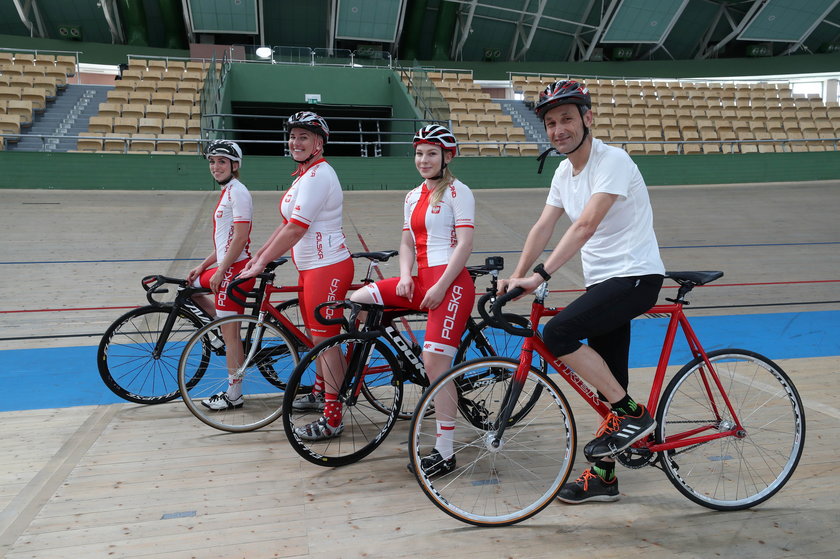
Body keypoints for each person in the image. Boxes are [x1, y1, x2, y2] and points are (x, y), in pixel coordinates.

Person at [499, 80, 665, 503]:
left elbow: (585, 224)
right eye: (551, 123)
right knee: (610, 377)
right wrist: (517, 276)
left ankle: (634, 416)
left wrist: (540, 274)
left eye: (567, 119)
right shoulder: (562, 170)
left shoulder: (613, 160)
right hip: (603, 282)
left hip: (635, 277)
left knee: (558, 334)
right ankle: (605, 476)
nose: (559, 129)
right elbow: (544, 226)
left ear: (588, 119)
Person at [351, 124, 475, 476]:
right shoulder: (411, 196)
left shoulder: (458, 192)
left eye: (431, 153)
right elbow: (406, 243)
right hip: (420, 280)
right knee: (360, 301)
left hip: (450, 285)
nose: (423, 159)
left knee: (436, 365)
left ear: (447, 157)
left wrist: (440, 288)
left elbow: (464, 245)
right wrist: (405, 276)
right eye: (419, 153)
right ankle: (396, 358)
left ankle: (446, 451)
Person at [238, 111, 354, 439]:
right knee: (317, 341)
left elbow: (297, 229)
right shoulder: (303, 175)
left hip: (327, 267)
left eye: (303, 137)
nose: (295, 142)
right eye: (293, 136)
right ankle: (321, 394)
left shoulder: (320, 176)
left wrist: (260, 263)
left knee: (326, 342)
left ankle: (333, 419)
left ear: (319, 143)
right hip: (311, 268)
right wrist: (259, 256)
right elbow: (284, 225)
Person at [187, 140, 256, 410]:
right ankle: (220, 324)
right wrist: (204, 266)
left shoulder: (238, 192)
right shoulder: (227, 191)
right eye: (212, 162)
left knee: (231, 336)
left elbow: (240, 238)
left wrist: (222, 271)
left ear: (234, 165)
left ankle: (234, 394)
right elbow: (224, 242)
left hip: (236, 269)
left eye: (222, 162)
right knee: (191, 284)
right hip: (228, 264)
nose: (215, 167)